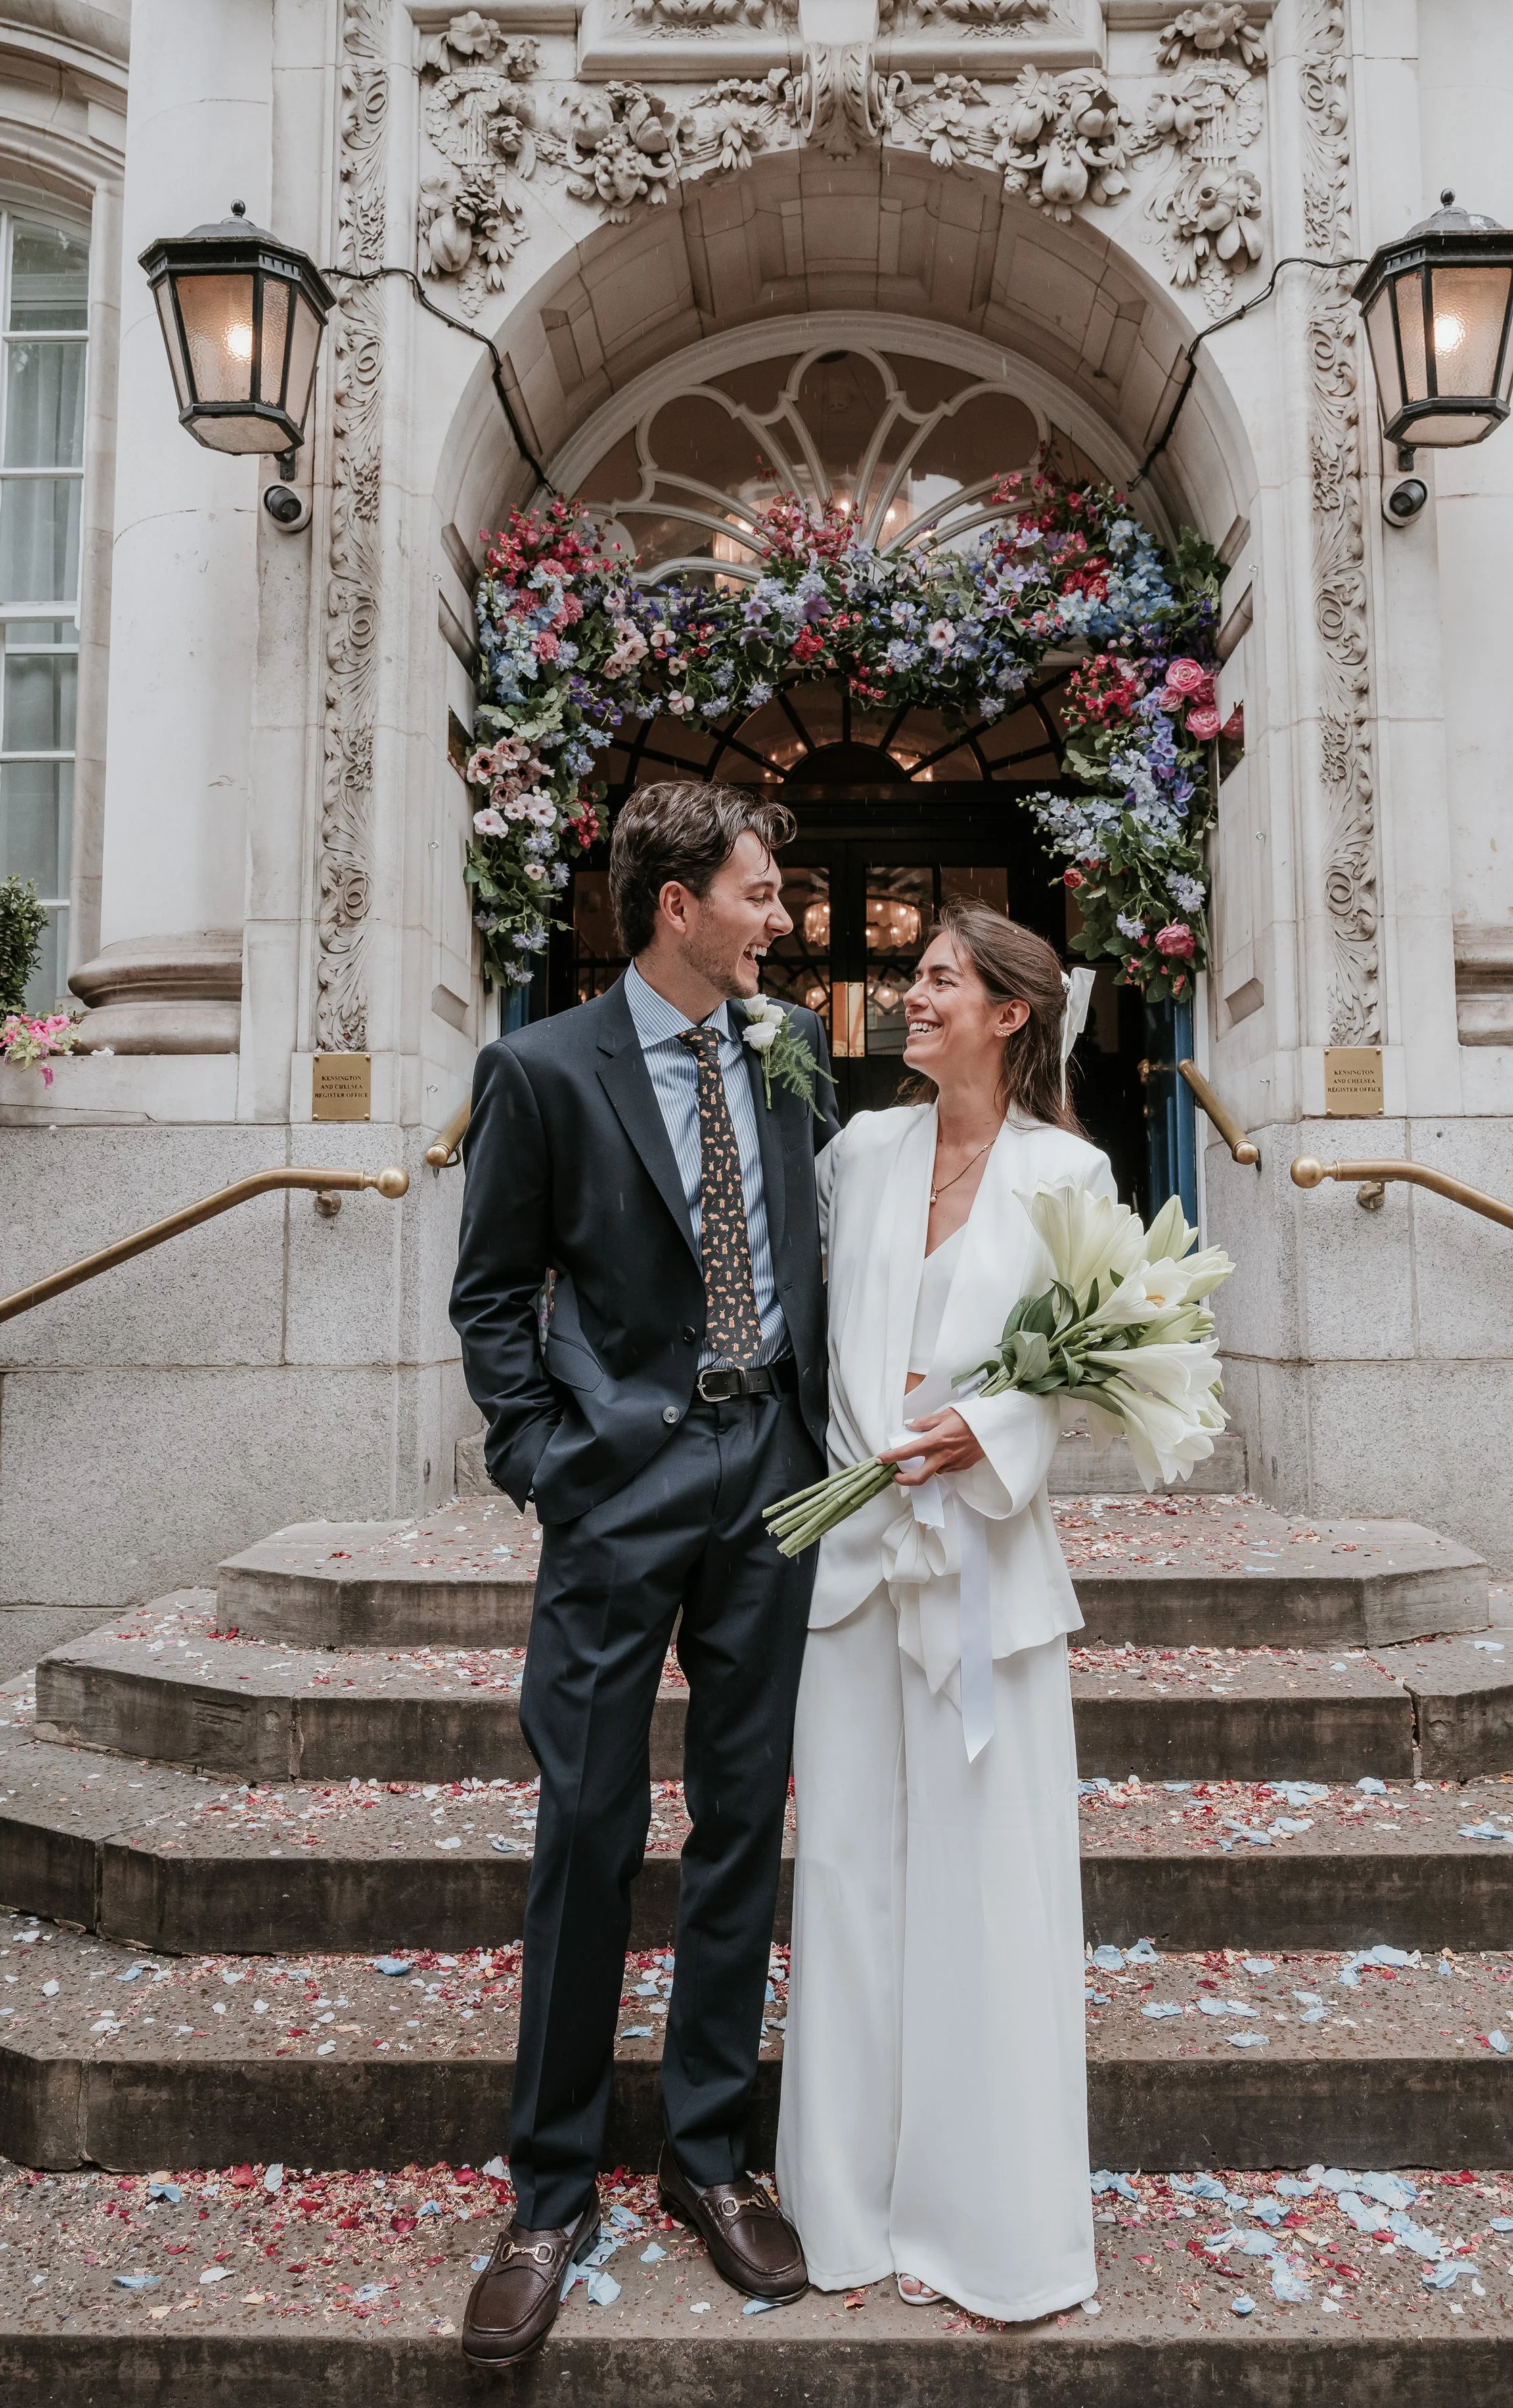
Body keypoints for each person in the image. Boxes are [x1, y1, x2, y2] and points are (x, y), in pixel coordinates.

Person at [449, 779, 836, 2369]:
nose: (779, 918)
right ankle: (546, 2196)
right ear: (676, 905)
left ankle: (708, 2155)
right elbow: (492, 1299)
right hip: (615, 1496)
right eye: (757, 891)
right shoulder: (539, 1069)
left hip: (775, 1489)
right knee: (588, 1827)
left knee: (743, 1823)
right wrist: (550, 1462)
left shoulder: (790, 1052)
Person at [775, 901, 1108, 2322]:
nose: (905, 996)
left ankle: (990, 2223)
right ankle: (842, 2206)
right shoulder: (858, 1151)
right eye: (913, 978)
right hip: (852, 1568)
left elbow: (1094, 1372)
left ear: (1008, 1014)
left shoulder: (1070, 1174)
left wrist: (992, 1428)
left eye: (933, 980)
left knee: (987, 1886)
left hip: (982, 1578)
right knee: (846, 1875)